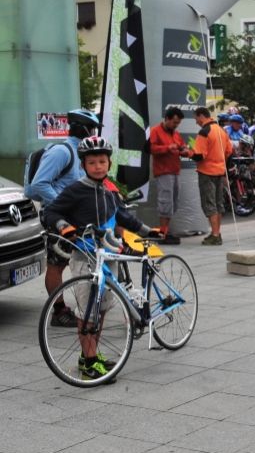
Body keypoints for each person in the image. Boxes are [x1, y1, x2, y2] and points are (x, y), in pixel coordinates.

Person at [41, 136, 159, 379]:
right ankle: (90, 361)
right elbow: (51, 211)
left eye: (102, 161)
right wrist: (64, 226)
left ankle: (90, 357)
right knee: (87, 312)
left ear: (109, 163)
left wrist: (148, 231)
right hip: (85, 257)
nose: (98, 166)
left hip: (109, 256)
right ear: (83, 165)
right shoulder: (75, 190)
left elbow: (124, 217)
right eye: (92, 162)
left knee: (102, 308)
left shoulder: (110, 191)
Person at [25, 108, 96, 328]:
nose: (94, 133)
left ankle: (88, 304)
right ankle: (58, 311)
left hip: (75, 218)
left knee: (84, 260)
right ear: (84, 128)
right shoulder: (62, 152)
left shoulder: (81, 153)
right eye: (93, 128)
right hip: (58, 218)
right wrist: (63, 204)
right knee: (56, 265)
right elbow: (38, 184)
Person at [147, 106, 192, 245]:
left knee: (173, 202)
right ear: (166, 119)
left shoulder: (176, 134)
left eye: (178, 123)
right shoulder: (155, 131)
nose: (176, 125)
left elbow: (182, 147)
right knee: (165, 202)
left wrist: (184, 151)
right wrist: (168, 147)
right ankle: (163, 233)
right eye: (174, 122)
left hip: (175, 171)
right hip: (163, 172)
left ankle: (165, 231)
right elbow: (151, 148)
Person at [191, 107, 234, 246]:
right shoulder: (221, 130)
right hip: (220, 171)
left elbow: (199, 155)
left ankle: (215, 235)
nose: (196, 121)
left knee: (210, 204)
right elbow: (229, 151)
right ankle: (217, 232)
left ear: (201, 116)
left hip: (207, 172)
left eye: (196, 118)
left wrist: (187, 152)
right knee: (218, 203)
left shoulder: (204, 132)